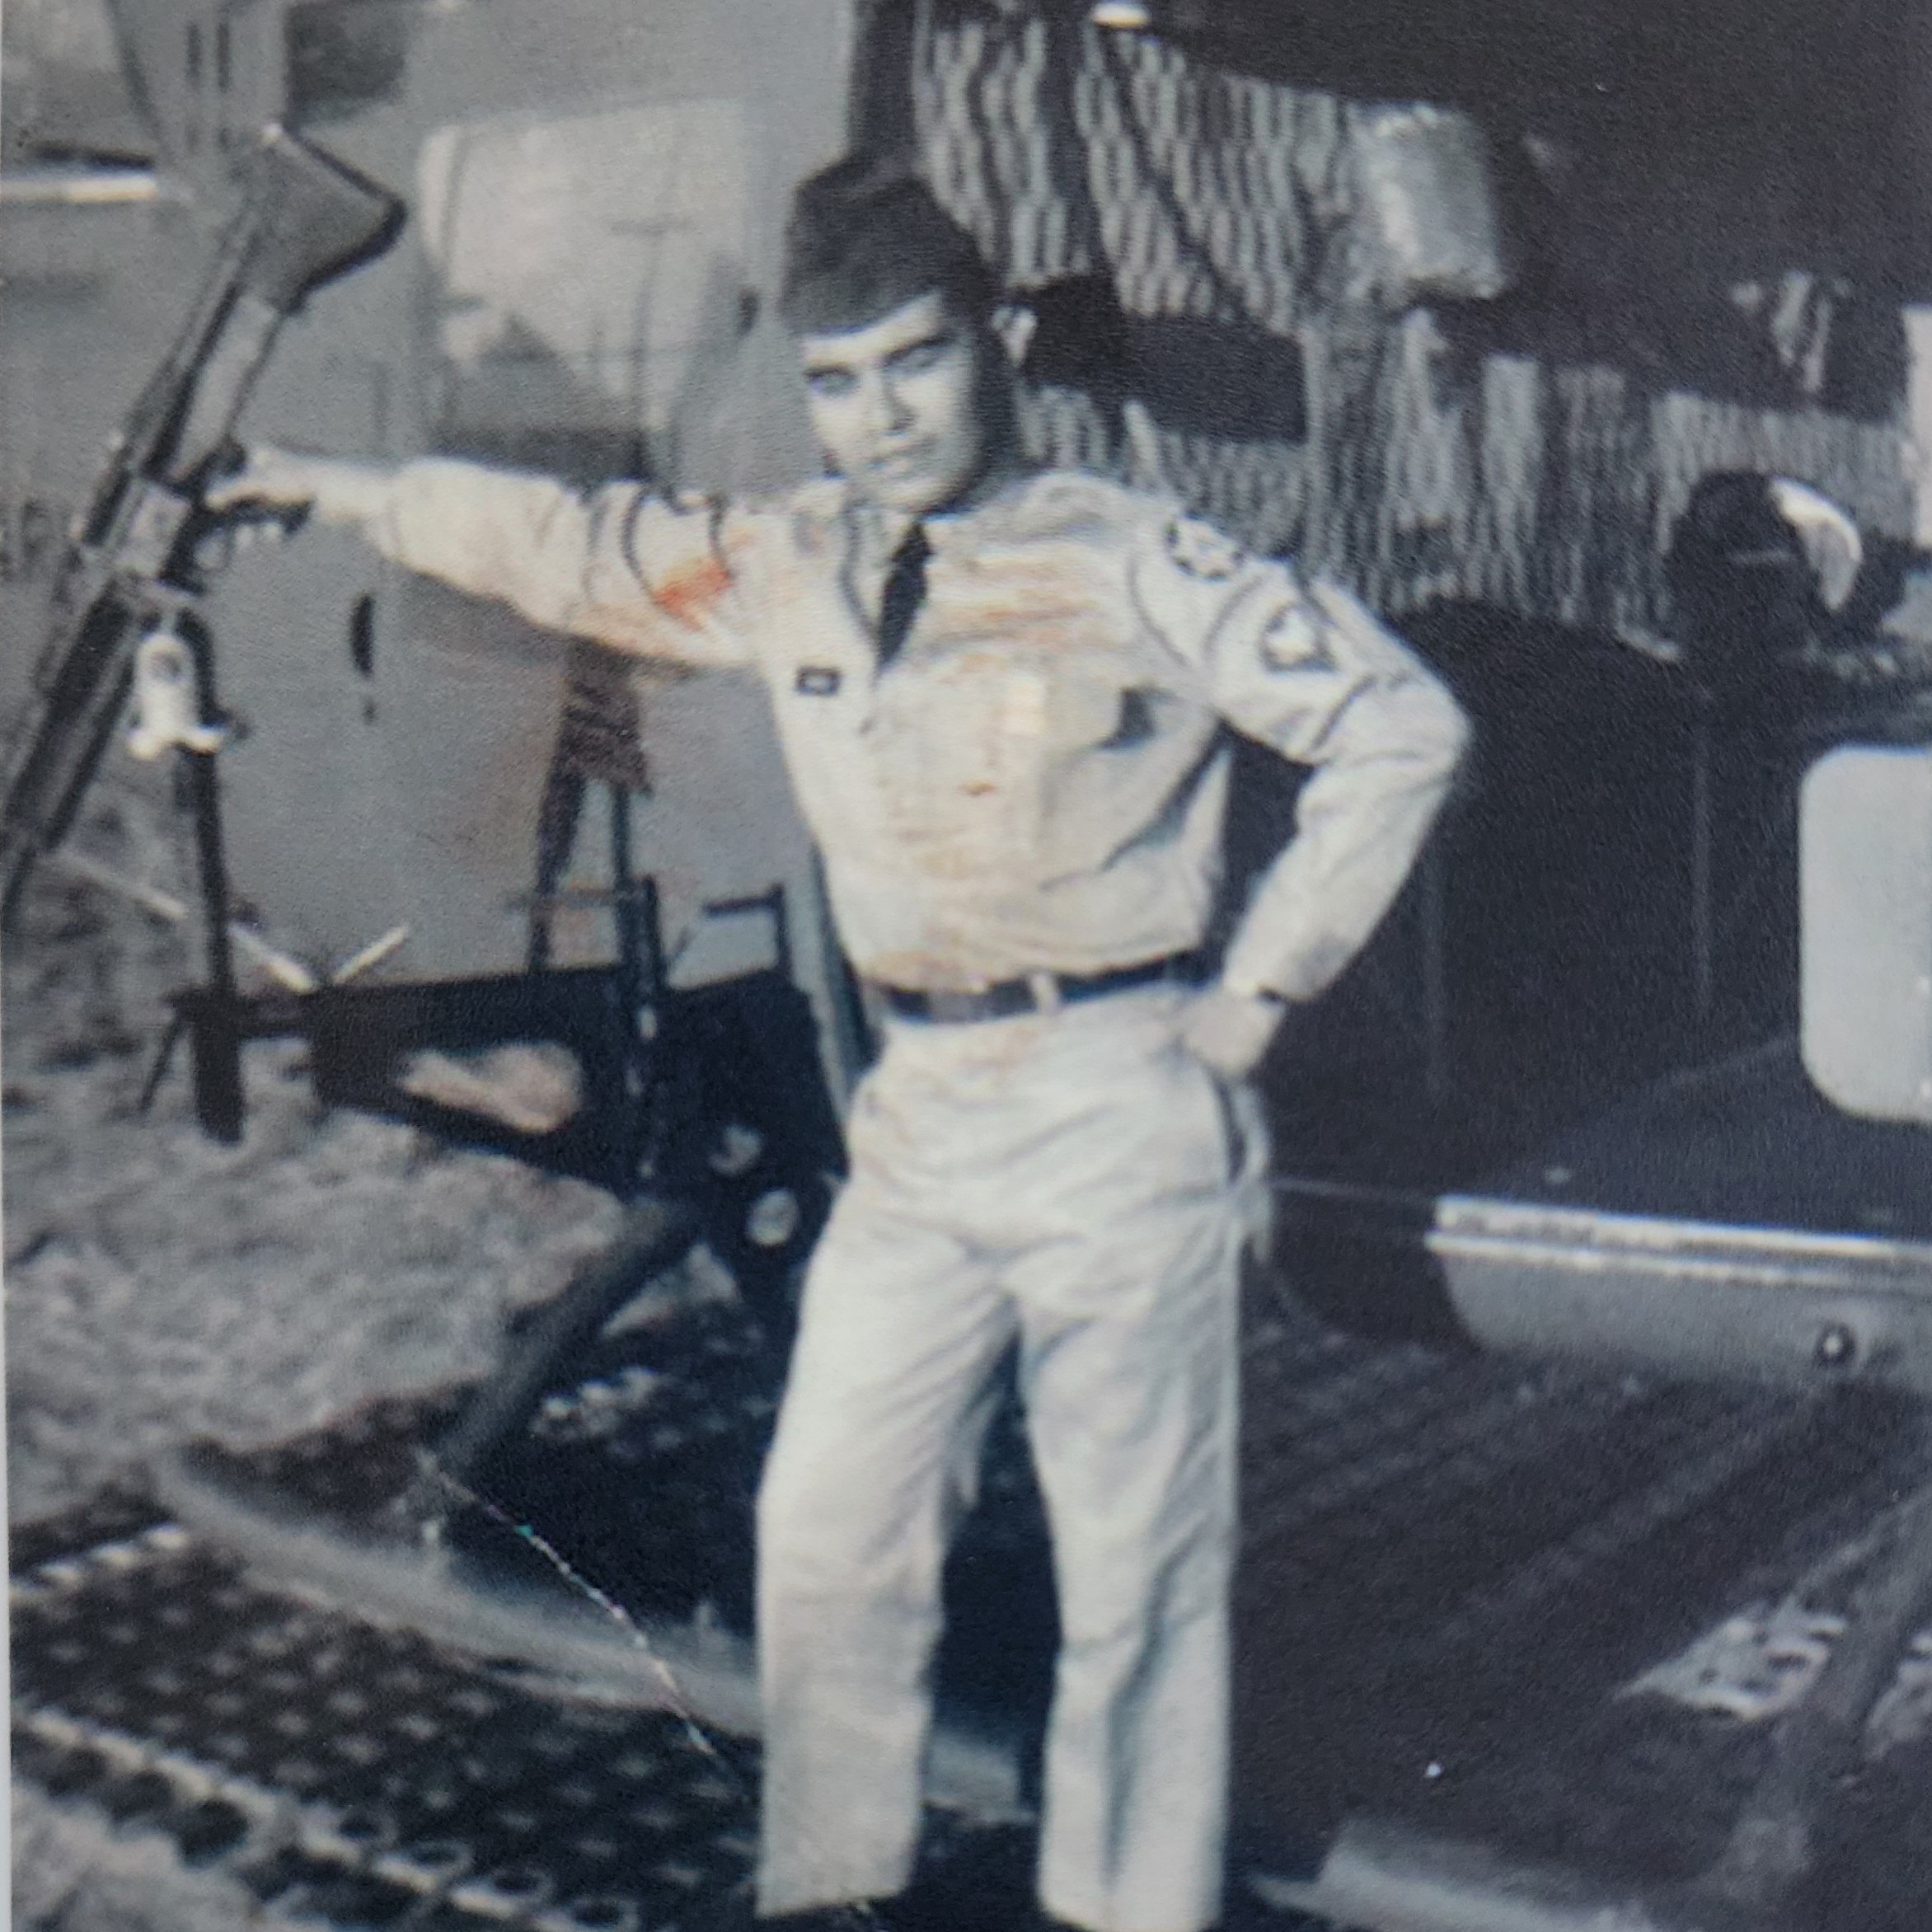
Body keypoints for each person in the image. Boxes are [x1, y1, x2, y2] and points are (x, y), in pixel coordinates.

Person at [210, 154, 1467, 1932]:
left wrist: (1256, 991)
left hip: (1118, 1096)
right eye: (835, 381)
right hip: (922, 1119)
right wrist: (334, 490)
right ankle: (829, 1893)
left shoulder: (1128, 556)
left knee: (1137, 1579)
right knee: (824, 1528)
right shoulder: (792, 562)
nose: (876, 419)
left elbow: (1396, 725)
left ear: (994, 348)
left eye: (913, 363)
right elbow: (577, 547)